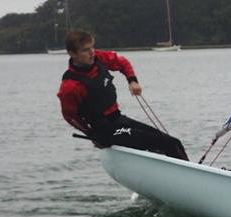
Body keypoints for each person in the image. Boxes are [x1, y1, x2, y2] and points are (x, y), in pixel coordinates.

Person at [57, 29, 189, 160]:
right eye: (85, 50)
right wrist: (91, 134)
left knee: (173, 142)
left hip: (118, 119)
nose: (92, 53)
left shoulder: (99, 59)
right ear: (72, 53)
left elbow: (122, 62)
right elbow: (70, 116)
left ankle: (193, 175)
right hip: (104, 130)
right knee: (166, 144)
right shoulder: (70, 86)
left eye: (92, 47)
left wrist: (132, 81)